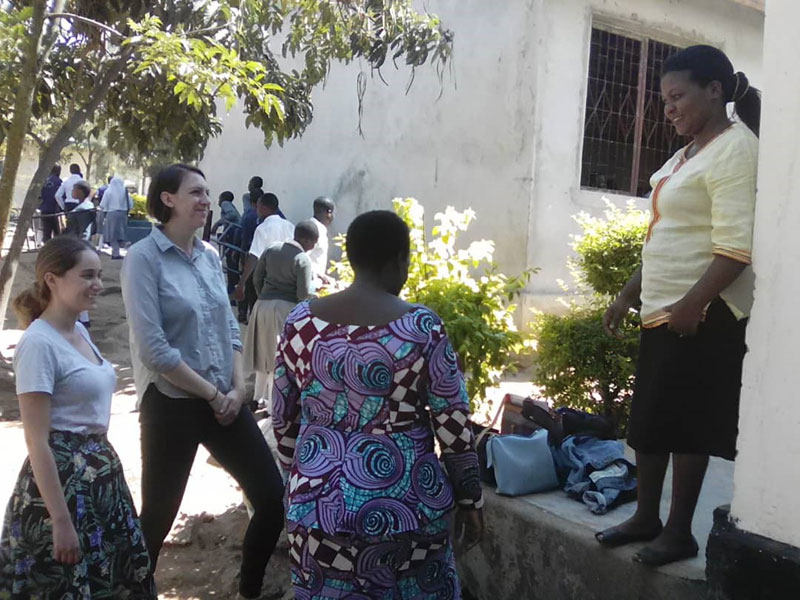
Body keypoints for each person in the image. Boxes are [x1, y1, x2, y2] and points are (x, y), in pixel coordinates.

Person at [596, 45, 760, 566]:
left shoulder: (736, 150)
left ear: (715, 91)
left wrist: (694, 304)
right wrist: (627, 294)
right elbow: (667, 236)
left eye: (677, 96)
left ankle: (679, 532)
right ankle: (647, 517)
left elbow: (735, 247)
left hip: (702, 314)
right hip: (662, 309)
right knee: (650, 421)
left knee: (689, 424)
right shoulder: (686, 155)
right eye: (664, 99)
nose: (668, 109)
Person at [273, 210, 484, 597]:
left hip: (316, 510)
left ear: (351, 257)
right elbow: (453, 424)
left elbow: (283, 418)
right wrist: (470, 496)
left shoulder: (300, 322)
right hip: (409, 510)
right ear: (400, 261)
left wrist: (302, 477)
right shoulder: (422, 327)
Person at [120, 164, 285, 600]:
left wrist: (237, 388)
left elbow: (231, 328)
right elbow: (154, 350)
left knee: (272, 496)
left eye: (207, 193)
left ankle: (248, 589)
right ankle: (136, 591)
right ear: (167, 199)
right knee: (158, 515)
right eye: (195, 192)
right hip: (173, 402)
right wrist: (215, 394)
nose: (205, 201)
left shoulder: (210, 256)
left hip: (224, 401)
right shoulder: (143, 259)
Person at [0, 236, 156, 598]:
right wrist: (60, 521)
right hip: (61, 490)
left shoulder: (79, 331)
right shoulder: (38, 344)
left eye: (99, 275)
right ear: (52, 280)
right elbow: (37, 440)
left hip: (100, 483)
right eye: (87, 275)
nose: (98, 284)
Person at [243, 221, 318, 407]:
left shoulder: (271, 249)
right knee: (278, 359)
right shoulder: (302, 259)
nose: (314, 247)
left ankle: (257, 398)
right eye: (314, 243)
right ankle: (272, 404)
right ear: (308, 241)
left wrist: (264, 297)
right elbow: (304, 294)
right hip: (284, 309)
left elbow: (256, 278)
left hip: (262, 306)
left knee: (262, 356)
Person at [234, 192, 294, 303]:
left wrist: (242, 282)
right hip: (288, 278)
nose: (256, 210)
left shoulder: (262, 228)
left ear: (264, 208)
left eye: (258, 207)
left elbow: (254, 256)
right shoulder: (290, 226)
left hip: (268, 279)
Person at [238, 191, 260, 322]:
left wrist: (241, 255)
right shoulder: (271, 216)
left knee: (246, 284)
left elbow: (244, 238)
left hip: (249, 255)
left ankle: (242, 313)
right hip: (263, 259)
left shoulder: (248, 216)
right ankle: (252, 315)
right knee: (254, 289)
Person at [99, 176, 132, 260]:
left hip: (111, 214)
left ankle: (115, 252)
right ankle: (124, 246)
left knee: (112, 234)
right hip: (123, 214)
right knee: (121, 233)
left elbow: (103, 204)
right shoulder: (125, 191)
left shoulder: (109, 191)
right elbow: (131, 204)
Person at [308, 196, 335, 284]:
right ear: (328, 213)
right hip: (309, 285)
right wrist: (317, 274)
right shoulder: (316, 230)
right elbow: (301, 258)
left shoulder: (314, 226)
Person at [38, 165, 62, 242]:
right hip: (55, 209)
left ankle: (46, 248)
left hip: (44, 209)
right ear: (58, 171)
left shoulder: (44, 181)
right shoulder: (59, 182)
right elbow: (60, 196)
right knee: (57, 232)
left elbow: (39, 196)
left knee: (46, 232)